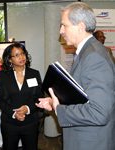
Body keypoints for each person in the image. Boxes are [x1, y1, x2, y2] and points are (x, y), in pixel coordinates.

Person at [36, 2, 115, 150]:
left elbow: (99, 112)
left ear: (80, 27)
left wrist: (59, 108)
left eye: (64, 25)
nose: (61, 31)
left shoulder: (94, 56)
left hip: (90, 143)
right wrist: (55, 101)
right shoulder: (88, 51)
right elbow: (84, 96)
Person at [0, 42, 44, 150]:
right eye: (16, 55)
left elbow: (40, 98)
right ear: (9, 59)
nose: (21, 57)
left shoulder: (34, 74)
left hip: (31, 122)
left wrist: (27, 109)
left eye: (22, 53)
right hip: (9, 123)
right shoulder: (3, 76)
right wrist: (13, 113)